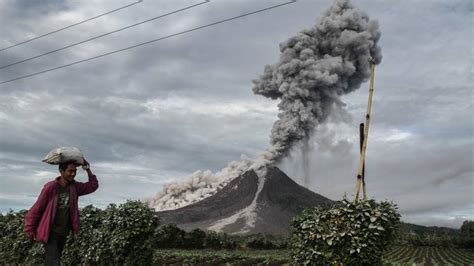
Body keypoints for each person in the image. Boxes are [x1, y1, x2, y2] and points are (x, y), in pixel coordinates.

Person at [24, 159, 99, 265]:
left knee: (53, 260)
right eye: (70, 171)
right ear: (61, 171)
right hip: (50, 232)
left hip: (63, 232)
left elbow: (93, 186)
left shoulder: (75, 187)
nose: (73, 174)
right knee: (54, 262)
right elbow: (37, 208)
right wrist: (29, 228)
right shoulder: (51, 187)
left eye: (75, 171)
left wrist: (88, 169)